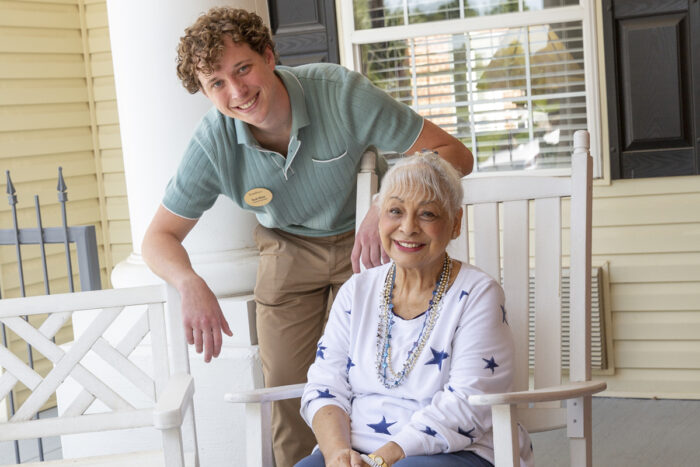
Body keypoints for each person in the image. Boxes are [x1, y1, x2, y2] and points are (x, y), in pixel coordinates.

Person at [141, 7, 473, 466]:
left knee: (376, 384)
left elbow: (454, 152)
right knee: (290, 400)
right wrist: (189, 283)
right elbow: (158, 237)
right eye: (216, 83)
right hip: (287, 248)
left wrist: (384, 203)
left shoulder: (340, 93)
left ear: (269, 56)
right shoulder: (212, 142)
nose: (236, 91)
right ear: (203, 91)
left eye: (243, 68)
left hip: (368, 243)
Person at [296, 153, 533, 467]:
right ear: (380, 217)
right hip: (357, 448)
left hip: (456, 449)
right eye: (395, 211)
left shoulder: (478, 294)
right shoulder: (357, 291)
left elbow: (467, 404)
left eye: (428, 214)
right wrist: (338, 454)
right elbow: (326, 384)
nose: (407, 228)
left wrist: (380, 460)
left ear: (456, 223)